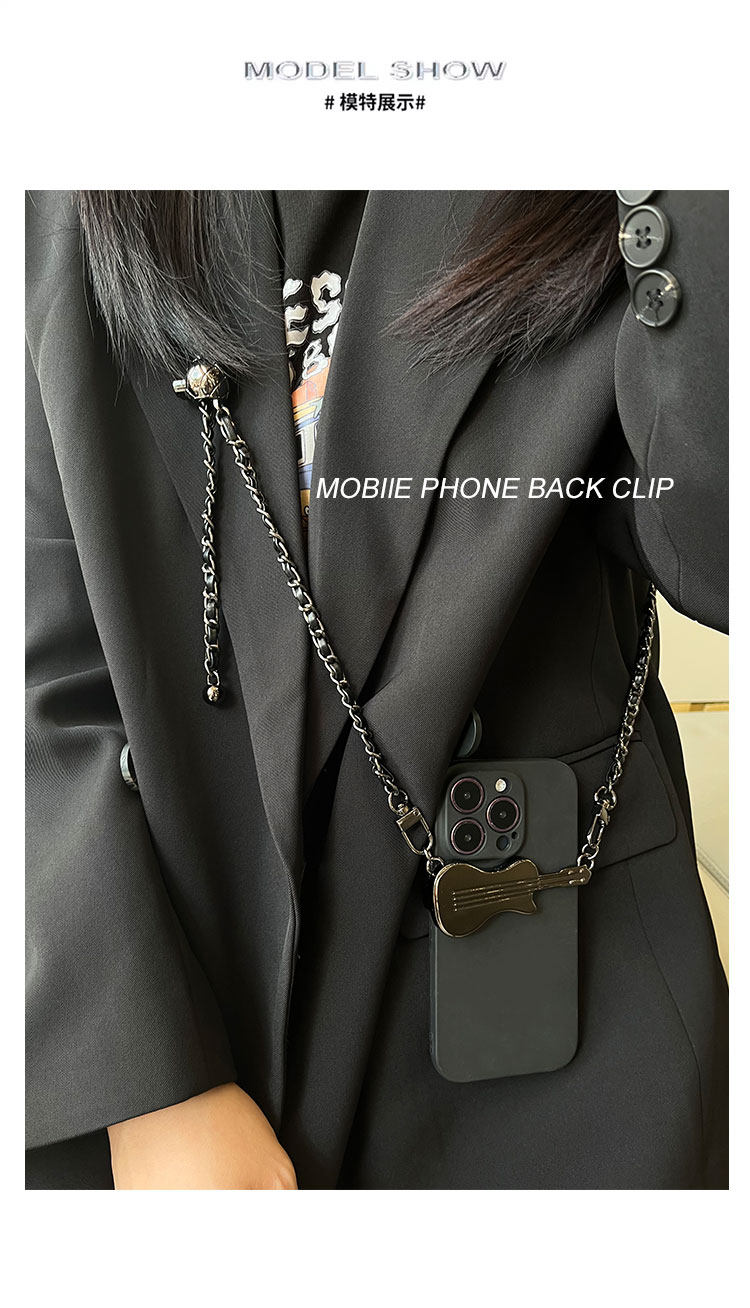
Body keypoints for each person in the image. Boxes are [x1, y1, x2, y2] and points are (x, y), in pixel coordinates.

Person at [25, 190, 728, 1189]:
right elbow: (42, 638)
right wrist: (144, 1079)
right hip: (148, 1001)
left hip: (563, 1052)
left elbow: (716, 549)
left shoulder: (620, 184)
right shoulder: (80, 183)